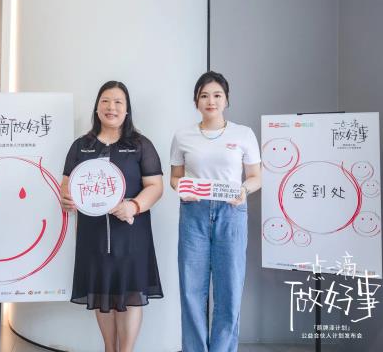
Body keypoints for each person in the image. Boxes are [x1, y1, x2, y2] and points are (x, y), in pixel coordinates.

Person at [60, 81, 164, 352]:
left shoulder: (140, 145)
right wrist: (66, 198)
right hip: (92, 235)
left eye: (118, 102)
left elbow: (155, 186)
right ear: (97, 107)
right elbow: (66, 184)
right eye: (105, 101)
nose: (111, 107)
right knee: (101, 291)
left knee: (130, 294)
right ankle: (109, 348)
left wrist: (134, 206)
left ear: (127, 110)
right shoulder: (81, 146)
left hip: (131, 234)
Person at [170, 71, 261, 352]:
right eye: (204, 95)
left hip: (231, 213)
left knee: (229, 290)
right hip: (193, 212)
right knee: (191, 290)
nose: (211, 101)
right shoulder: (182, 135)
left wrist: (243, 190)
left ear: (226, 99)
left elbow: (256, 176)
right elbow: (175, 177)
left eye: (217, 95)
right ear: (196, 101)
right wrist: (182, 189)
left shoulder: (243, 134)